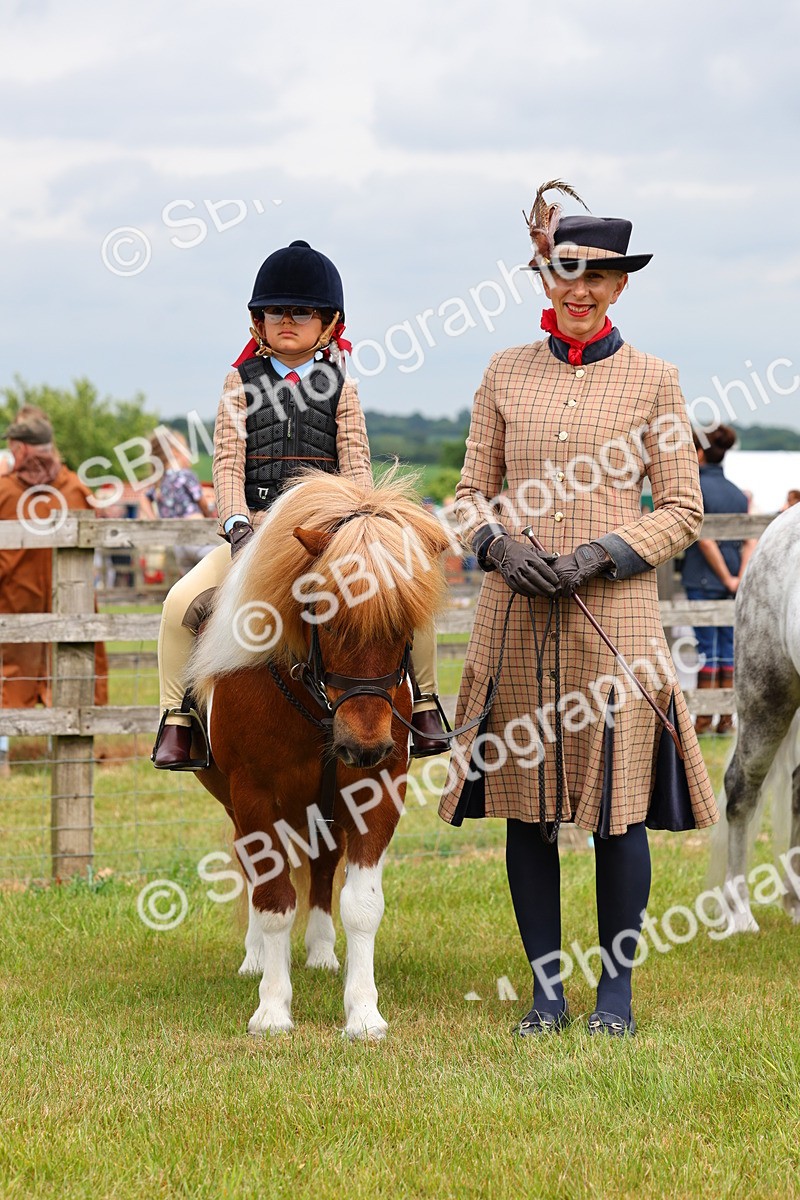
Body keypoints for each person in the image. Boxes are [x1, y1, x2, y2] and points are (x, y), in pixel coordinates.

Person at [438, 182, 718, 1037]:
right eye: (565, 271)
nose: (580, 289)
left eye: (597, 276)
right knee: (527, 810)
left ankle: (615, 998)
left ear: (621, 285)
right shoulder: (503, 372)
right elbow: (467, 495)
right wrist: (496, 545)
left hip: (615, 624)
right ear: (545, 277)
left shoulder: (656, 380)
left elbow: (682, 509)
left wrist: (602, 554)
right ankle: (546, 996)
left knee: (614, 814)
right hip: (516, 618)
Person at [151, 239, 448, 769]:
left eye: (301, 312)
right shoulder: (238, 383)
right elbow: (227, 463)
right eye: (275, 312)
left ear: (328, 324)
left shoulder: (342, 386)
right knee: (179, 604)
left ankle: (424, 705)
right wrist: (237, 523)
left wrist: (359, 526)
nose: (286, 321)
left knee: (406, 601)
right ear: (258, 322)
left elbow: (356, 462)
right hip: (256, 534)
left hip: (327, 539)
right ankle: (178, 719)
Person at [0, 407, 108, 718]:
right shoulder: (74, 487)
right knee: (69, 672)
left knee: (12, 675)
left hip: (17, 600)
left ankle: (6, 746)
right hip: (71, 599)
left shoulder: (5, 490)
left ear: (21, 449)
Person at [681, 425, 755, 735]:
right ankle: (725, 718)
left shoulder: (695, 488)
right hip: (734, 579)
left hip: (703, 578)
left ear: (699, 453)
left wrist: (723, 575)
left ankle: (702, 718)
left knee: (705, 648)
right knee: (728, 648)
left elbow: (706, 541)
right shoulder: (737, 492)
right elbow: (750, 538)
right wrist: (737, 578)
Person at [141, 431, 216, 574]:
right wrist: (209, 513)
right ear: (175, 452)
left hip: (178, 544)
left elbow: (143, 497)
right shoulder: (186, 475)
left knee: (190, 582)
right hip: (197, 536)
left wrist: (154, 520)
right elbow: (202, 503)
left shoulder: (159, 481)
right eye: (186, 449)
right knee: (221, 563)